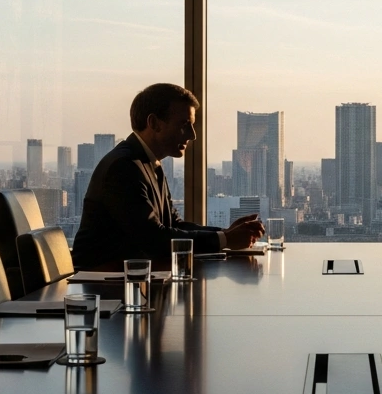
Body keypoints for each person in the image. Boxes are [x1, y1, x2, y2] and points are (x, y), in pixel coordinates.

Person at [72, 83, 265, 270]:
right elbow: (154, 239)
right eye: (184, 124)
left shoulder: (147, 162)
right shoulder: (124, 167)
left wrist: (225, 233)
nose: (192, 135)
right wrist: (226, 239)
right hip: (104, 285)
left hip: (130, 277)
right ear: (154, 123)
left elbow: (172, 225)